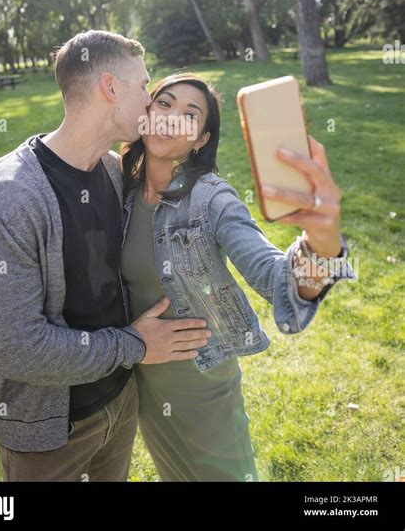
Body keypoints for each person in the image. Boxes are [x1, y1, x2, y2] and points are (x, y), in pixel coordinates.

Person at [0, 32, 211, 482]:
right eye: (144, 86)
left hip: (119, 402)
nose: (150, 102)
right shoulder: (7, 198)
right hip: (51, 433)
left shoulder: (115, 173)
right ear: (111, 88)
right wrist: (134, 346)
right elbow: (18, 348)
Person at [120, 73, 356, 481]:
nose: (172, 118)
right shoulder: (117, 190)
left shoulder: (211, 198)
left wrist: (324, 242)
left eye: (189, 115)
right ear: (146, 114)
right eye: (164, 103)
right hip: (141, 388)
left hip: (203, 390)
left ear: (200, 140)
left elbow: (275, 278)